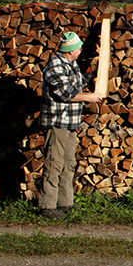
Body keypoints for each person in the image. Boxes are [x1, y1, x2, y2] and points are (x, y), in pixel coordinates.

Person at [38, 31, 102, 218]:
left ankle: (65, 203)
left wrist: (93, 74)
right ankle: (47, 206)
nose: (81, 49)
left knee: (68, 164)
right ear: (70, 50)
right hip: (58, 121)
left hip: (70, 122)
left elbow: (77, 83)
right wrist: (88, 97)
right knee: (54, 163)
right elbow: (64, 93)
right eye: (78, 47)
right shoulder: (55, 66)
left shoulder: (70, 64)